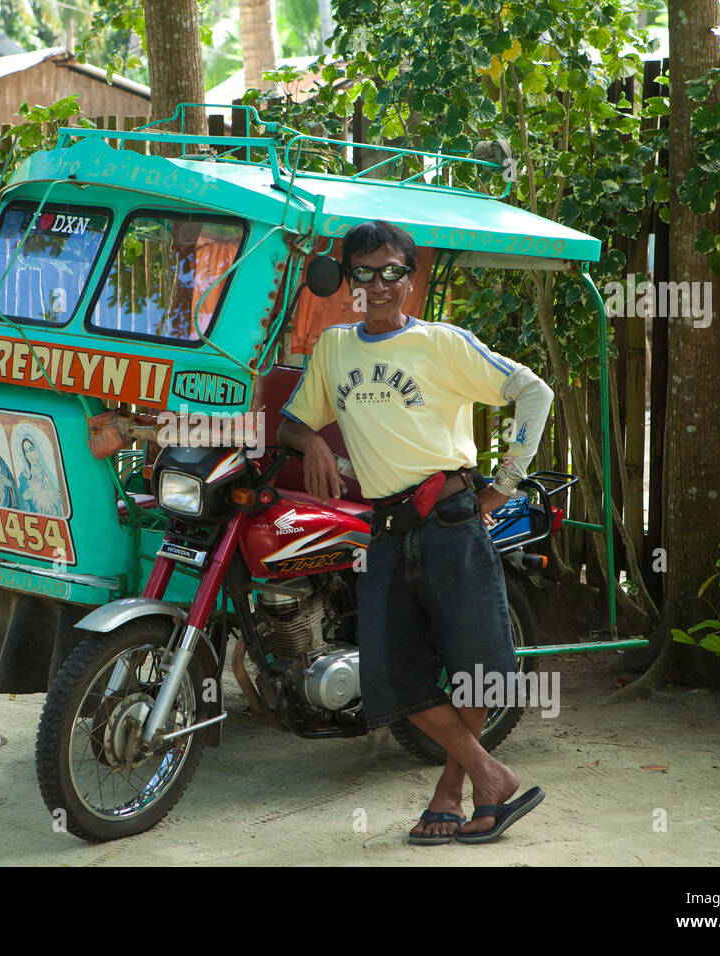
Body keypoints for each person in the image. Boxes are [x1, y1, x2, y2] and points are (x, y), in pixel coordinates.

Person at [277, 220, 554, 845]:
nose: (379, 284)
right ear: (347, 280)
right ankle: (490, 773)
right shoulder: (335, 347)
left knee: (472, 663)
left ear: (411, 277)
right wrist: (311, 442)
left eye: (392, 271)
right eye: (364, 272)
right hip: (388, 528)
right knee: (392, 673)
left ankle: (453, 792)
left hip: (452, 517)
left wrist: (504, 484)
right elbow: (294, 419)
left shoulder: (443, 343)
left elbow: (534, 393)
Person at [16, 436, 64, 516]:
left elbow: (58, 493)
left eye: (31, 450)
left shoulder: (48, 471)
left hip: (55, 514)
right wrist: (25, 496)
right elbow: (20, 498)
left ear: (36, 450)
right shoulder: (24, 476)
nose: (29, 454)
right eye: (26, 451)